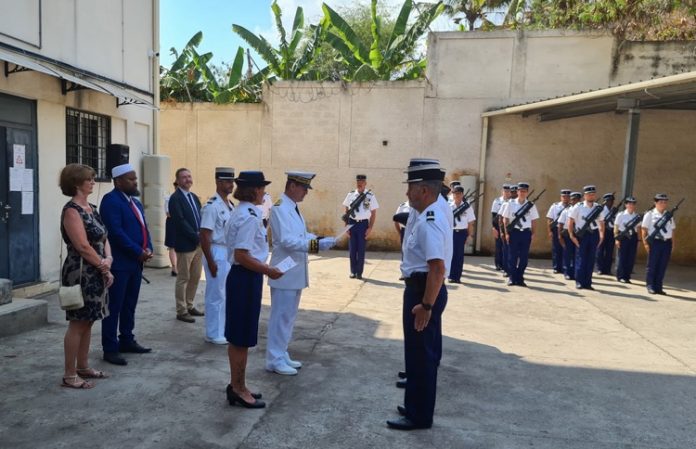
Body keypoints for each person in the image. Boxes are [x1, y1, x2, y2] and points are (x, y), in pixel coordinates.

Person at [387, 158, 451, 431]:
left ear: (424, 190)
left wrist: (426, 305)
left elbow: (437, 268)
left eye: (410, 187)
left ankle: (419, 415)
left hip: (423, 291)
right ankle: (415, 404)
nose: (407, 193)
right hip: (422, 288)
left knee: (421, 356)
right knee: (418, 354)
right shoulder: (433, 210)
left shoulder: (429, 221)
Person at [266, 172, 336, 375]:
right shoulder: (279, 208)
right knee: (280, 316)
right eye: (304, 188)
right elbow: (287, 241)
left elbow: (300, 235)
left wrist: (320, 239)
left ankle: (281, 352)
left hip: (294, 271)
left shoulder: (293, 208)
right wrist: (316, 245)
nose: (306, 192)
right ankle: (274, 359)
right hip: (284, 271)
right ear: (292, 186)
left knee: (288, 316)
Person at [224, 171, 283, 409]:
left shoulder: (242, 211)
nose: (264, 193)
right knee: (240, 337)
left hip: (244, 277)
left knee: (241, 336)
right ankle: (237, 388)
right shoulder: (249, 216)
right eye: (262, 188)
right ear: (254, 190)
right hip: (245, 278)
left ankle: (239, 384)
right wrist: (268, 270)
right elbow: (241, 255)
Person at [59, 164, 114, 388]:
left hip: (97, 269)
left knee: (90, 320)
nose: (93, 182)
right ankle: (69, 374)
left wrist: (108, 260)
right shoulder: (72, 210)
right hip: (81, 271)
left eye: (93, 179)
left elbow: (104, 237)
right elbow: (82, 245)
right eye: (89, 179)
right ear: (76, 183)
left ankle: (83, 366)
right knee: (78, 322)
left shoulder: (91, 207)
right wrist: (103, 266)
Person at [99, 163, 154, 366]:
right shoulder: (111, 201)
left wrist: (149, 248)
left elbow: (144, 228)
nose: (135, 182)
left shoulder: (135, 202)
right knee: (114, 306)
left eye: (135, 178)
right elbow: (115, 232)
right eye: (130, 179)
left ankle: (127, 340)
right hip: (120, 264)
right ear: (118, 181)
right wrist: (137, 251)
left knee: (129, 304)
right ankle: (110, 348)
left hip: (135, 264)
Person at [200, 167, 236, 345]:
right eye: (228, 181)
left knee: (224, 293)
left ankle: (221, 329)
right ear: (218, 182)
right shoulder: (211, 206)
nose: (231, 185)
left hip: (227, 251)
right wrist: (211, 261)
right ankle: (213, 333)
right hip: (215, 250)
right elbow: (205, 235)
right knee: (215, 294)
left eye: (232, 181)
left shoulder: (229, 205)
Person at [168, 168, 205, 323]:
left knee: (195, 277)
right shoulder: (175, 198)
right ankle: (181, 310)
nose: (188, 179)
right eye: (184, 177)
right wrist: (195, 236)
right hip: (185, 244)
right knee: (184, 277)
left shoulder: (194, 197)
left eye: (189, 176)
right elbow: (180, 221)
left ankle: (190, 305)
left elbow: (200, 216)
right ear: (178, 180)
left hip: (198, 244)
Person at [501, 182, 539, 287]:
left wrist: (533, 233)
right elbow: (505, 219)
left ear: (527, 192)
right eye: (520, 191)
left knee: (524, 258)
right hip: (514, 232)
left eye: (524, 191)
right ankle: (512, 278)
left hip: (526, 232)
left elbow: (534, 220)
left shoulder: (531, 205)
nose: (522, 193)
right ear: (517, 192)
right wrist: (507, 233)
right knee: (512, 257)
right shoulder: (510, 203)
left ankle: (520, 277)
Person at [567, 185, 605, 290]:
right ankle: (579, 282)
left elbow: (601, 222)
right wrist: (571, 235)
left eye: (593, 194)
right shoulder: (578, 206)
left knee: (591, 259)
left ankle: (588, 282)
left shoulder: (598, 207)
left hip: (594, 234)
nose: (591, 196)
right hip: (581, 235)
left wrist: (602, 235)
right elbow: (570, 220)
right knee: (581, 258)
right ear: (585, 195)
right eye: (589, 194)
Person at [342, 174, 379, 279]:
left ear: (365, 183)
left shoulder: (370, 196)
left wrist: (370, 227)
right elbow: (346, 211)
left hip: (363, 224)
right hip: (352, 223)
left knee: (361, 249)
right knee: (352, 249)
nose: (360, 184)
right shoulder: (351, 195)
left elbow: (373, 213)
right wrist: (346, 226)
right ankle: (353, 271)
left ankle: (359, 273)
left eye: (362, 182)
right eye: (358, 182)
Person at [641, 193, 676, 295]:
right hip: (655, 242)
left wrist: (673, 243)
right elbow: (644, 229)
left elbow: (672, 230)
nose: (663, 204)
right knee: (652, 265)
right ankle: (650, 285)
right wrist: (646, 244)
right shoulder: (650, 214)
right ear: (655, 203)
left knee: (662, 265)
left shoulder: (669, 215)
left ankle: (658, 286)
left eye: (665, 202)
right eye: (661, 202)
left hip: (666, 243)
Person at [448, 185, 476, 284]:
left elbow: (470, 222)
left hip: (462, 232)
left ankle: (457, 277)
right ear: (452, 194)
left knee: (459, 255)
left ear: (462, 194)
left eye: (459, 193)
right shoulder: (449, 206)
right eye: (455, 193)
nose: (457, 195)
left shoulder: (467, 207)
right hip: (451, 232)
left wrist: (469, 235)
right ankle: (451, 275)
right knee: (450, 254)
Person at [614, 196, 640, 284]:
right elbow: (616, 227)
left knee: (630, 258)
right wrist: (616, 238)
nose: (631, 205)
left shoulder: (636, 216)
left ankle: (627, 276)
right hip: (623, 237)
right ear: (626, 205)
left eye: (633, 204)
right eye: (629, 204)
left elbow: (638, 228)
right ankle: (620, 276)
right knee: (622, 257)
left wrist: (638, 239)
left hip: (633, 237)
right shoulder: (620, 215)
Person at [558, 192, 581, 280]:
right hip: (567, 234)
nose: (575, 201)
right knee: (568, 254)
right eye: (573, 199)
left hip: (579, 234)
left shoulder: (582, 210)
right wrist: (559, 236)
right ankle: (567, 272)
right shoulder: (566, 211)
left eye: (577, 200)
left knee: (578, 254)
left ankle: (576, 273)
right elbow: (560, 224)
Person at [546, 189, 571, 274]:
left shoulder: (572, 207)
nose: (565, 198)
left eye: (567, 197)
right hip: (556, 229)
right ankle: (556, 267)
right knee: (556, 249)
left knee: (566, 249)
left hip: (567, 230)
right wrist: (549, 231)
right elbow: (549, 219)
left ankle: (565, 267)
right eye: (564, 196)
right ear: (561, 197)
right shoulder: (555, 206)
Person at [498, 184, 517, 278]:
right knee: (506, 251)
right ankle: (506, 269)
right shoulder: (506, 204)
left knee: (516, 253)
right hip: (507, 231)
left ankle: (514, 270)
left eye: (515, 192)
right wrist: (502, 232)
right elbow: (500, 219)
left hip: (518, 232)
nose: (513, 194)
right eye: (512, 192)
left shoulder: (522, 204)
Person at [596, 193, 617, 275]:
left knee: (609, 251)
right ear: (605, 201)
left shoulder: (614, 210)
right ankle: (600, 268)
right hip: (602, 231)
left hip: (611, 231)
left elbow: (616, 221)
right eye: (608, 201)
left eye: (611, 201)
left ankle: (607, 269)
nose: (610, 202)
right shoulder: (601, 209)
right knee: (600, 250)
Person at [491, 184, 510, 272]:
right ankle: (498, 264)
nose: (507, 193)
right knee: (499, 246)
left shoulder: (512, 202)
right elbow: (494, 216)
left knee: (507, 246)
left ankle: (506, 264)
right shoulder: (497, 201)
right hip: (498, 226)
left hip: (508, 226)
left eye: (508, 191)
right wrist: (494, 228)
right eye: (505, 191)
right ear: (502, 192)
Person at [164, 181, 178, 276]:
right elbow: (168, 213)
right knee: (172, 246)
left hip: (182, 223)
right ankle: (174, 267)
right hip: (173, 222)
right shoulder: (169, 198)